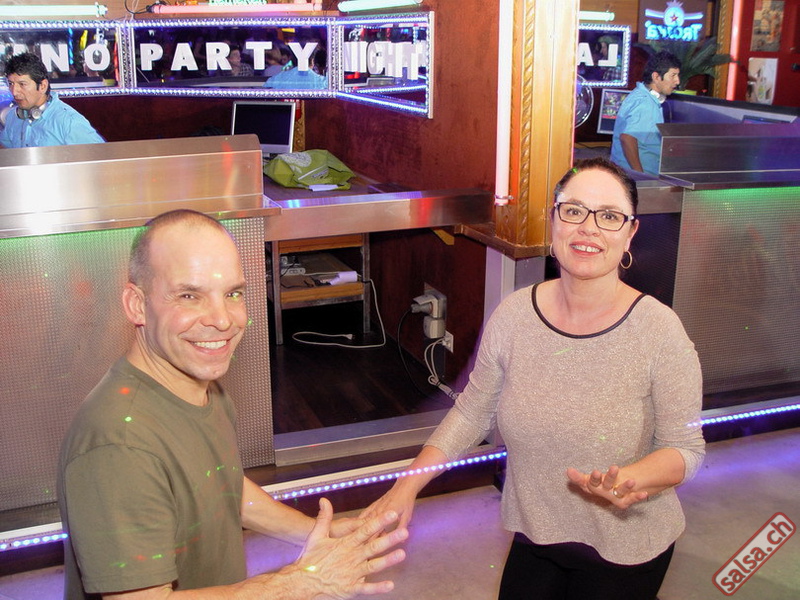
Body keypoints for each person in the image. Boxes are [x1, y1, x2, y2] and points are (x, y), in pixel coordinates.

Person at [363, 157, 705, 600]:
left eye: (609, 216)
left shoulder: (659, 331)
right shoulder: (514, 315)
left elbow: (686, 448)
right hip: (535, 533)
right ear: (553, 219)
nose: (588, 228)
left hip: (627, 546)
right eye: (574, 210)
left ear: (630, 232)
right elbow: (472, 412)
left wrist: (634, 478)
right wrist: (406, 486)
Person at [58, 210, 407, 599]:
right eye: (189, 295)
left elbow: (219, 485)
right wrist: (304, 581)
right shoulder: (118, 446)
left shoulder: (200, 387)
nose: (223, 320)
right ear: (137, 305)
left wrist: (313, 533)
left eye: (232, 294)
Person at [0, 52, 104, 149]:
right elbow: (6, 151)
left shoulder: (69, 122)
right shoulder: (12, 117)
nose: (14, 92)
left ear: (43, 86)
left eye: (22, 84)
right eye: (11, 84)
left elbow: (100, 157)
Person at [610, 51, 681, 176]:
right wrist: (640, 176)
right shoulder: (646, 103)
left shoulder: (639, 95)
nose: (677, 81)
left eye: (678, 75)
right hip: (639, 177)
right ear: (656, 77)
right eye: (673, 75)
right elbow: (627, 138)